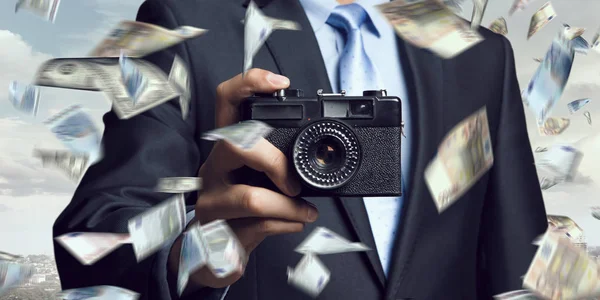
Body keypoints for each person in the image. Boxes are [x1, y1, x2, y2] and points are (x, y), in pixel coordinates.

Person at [53, 0, 548, 299]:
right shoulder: (183, 24)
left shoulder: (479, 54)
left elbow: (518, 261)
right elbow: (93, 234)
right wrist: (187, 252)